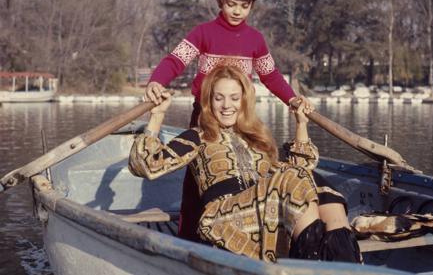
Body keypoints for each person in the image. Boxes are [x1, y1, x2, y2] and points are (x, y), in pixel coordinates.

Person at [144, 0, 313, 242]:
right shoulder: (203, 33)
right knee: (197, 179)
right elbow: (175, 61)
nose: (236, 11)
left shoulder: (255, 40)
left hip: (240, 118)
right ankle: (189, 238)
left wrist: (292, 99)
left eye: (243, 6)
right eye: (231, 4)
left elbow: (270, 75)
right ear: (220, 0)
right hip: (206, 117)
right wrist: (156, 81)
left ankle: (247, 229)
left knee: (243, 173)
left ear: (252, 5)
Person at [130, 66, 362, 263]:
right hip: (223, 219)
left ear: (244, 100)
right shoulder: (198, 136)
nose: (226, 105)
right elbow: (147, 165)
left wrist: (301, 124)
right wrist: (157, 116)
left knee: (318, 185)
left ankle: (346, 266)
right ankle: (311, 263)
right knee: (296, 178)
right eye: (218, 97)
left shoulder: (256, 136)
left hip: (265, 212)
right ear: (209, 101)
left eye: (234, 97)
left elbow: (302, 170)